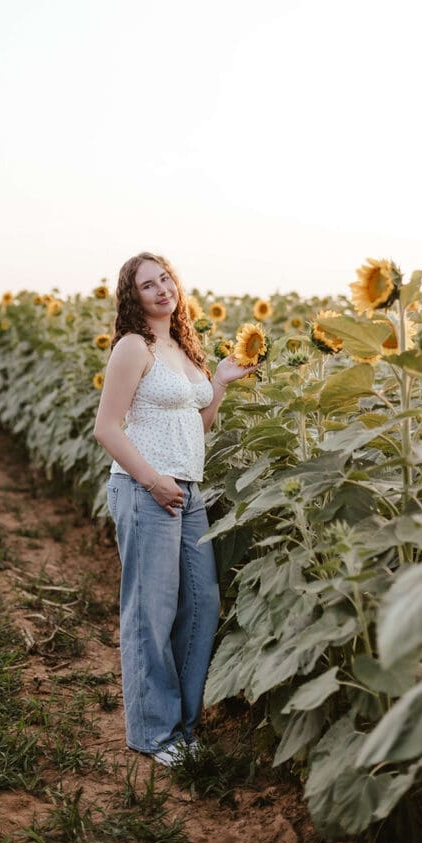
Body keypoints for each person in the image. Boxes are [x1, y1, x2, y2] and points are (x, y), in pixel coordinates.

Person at [93, 251, 258, 765]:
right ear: (133, 296)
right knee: (152, 612)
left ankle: (183, 726)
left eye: (165, 279)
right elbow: (107, 428)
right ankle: (153, 733)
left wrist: (222, 384)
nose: (162, 289)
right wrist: (154, 480)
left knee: (203, 604)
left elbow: (198, 427)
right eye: (148, 285)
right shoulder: (132, 347)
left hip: (187, 491)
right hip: (146, 491)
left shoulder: (184, 349)